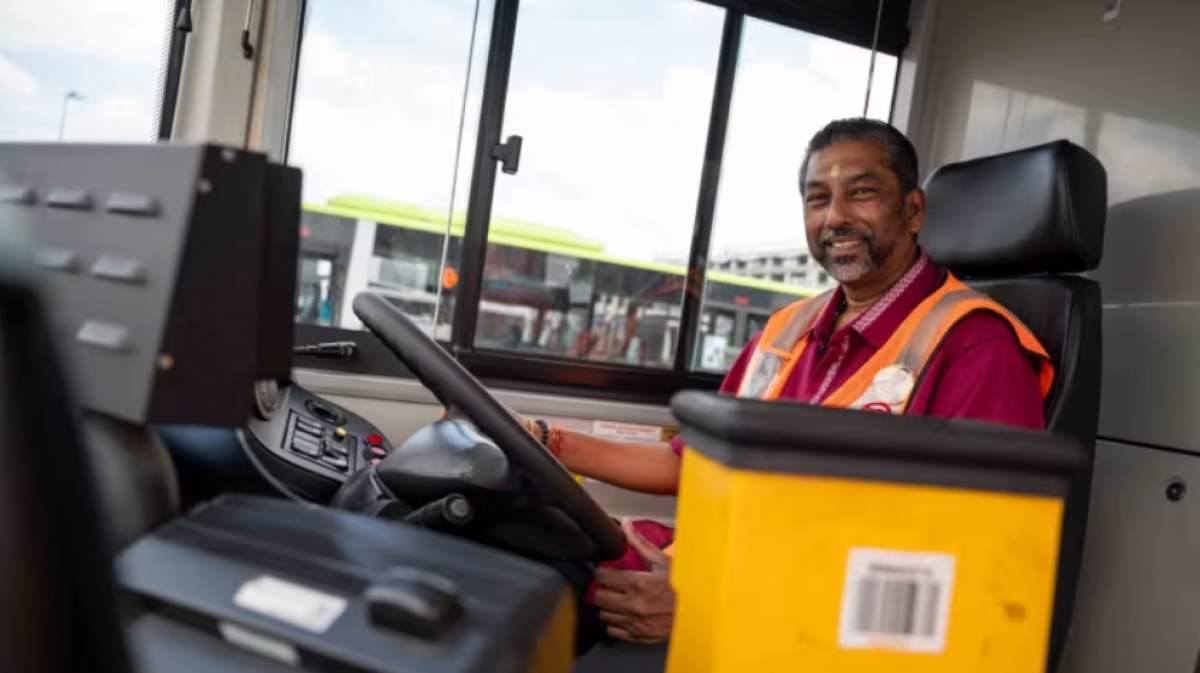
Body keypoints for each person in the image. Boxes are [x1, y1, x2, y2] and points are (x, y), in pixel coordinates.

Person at [527, 118, 1053, 648]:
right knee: (527, 562)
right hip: (702, 575)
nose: (836, 217)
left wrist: (713, 605)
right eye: (817, 198)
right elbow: (695, 464)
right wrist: (545, 440)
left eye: (862, 193)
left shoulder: (977, 349)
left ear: (912, 211)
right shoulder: (788, 328)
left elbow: (971, 574)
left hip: (807, 636)